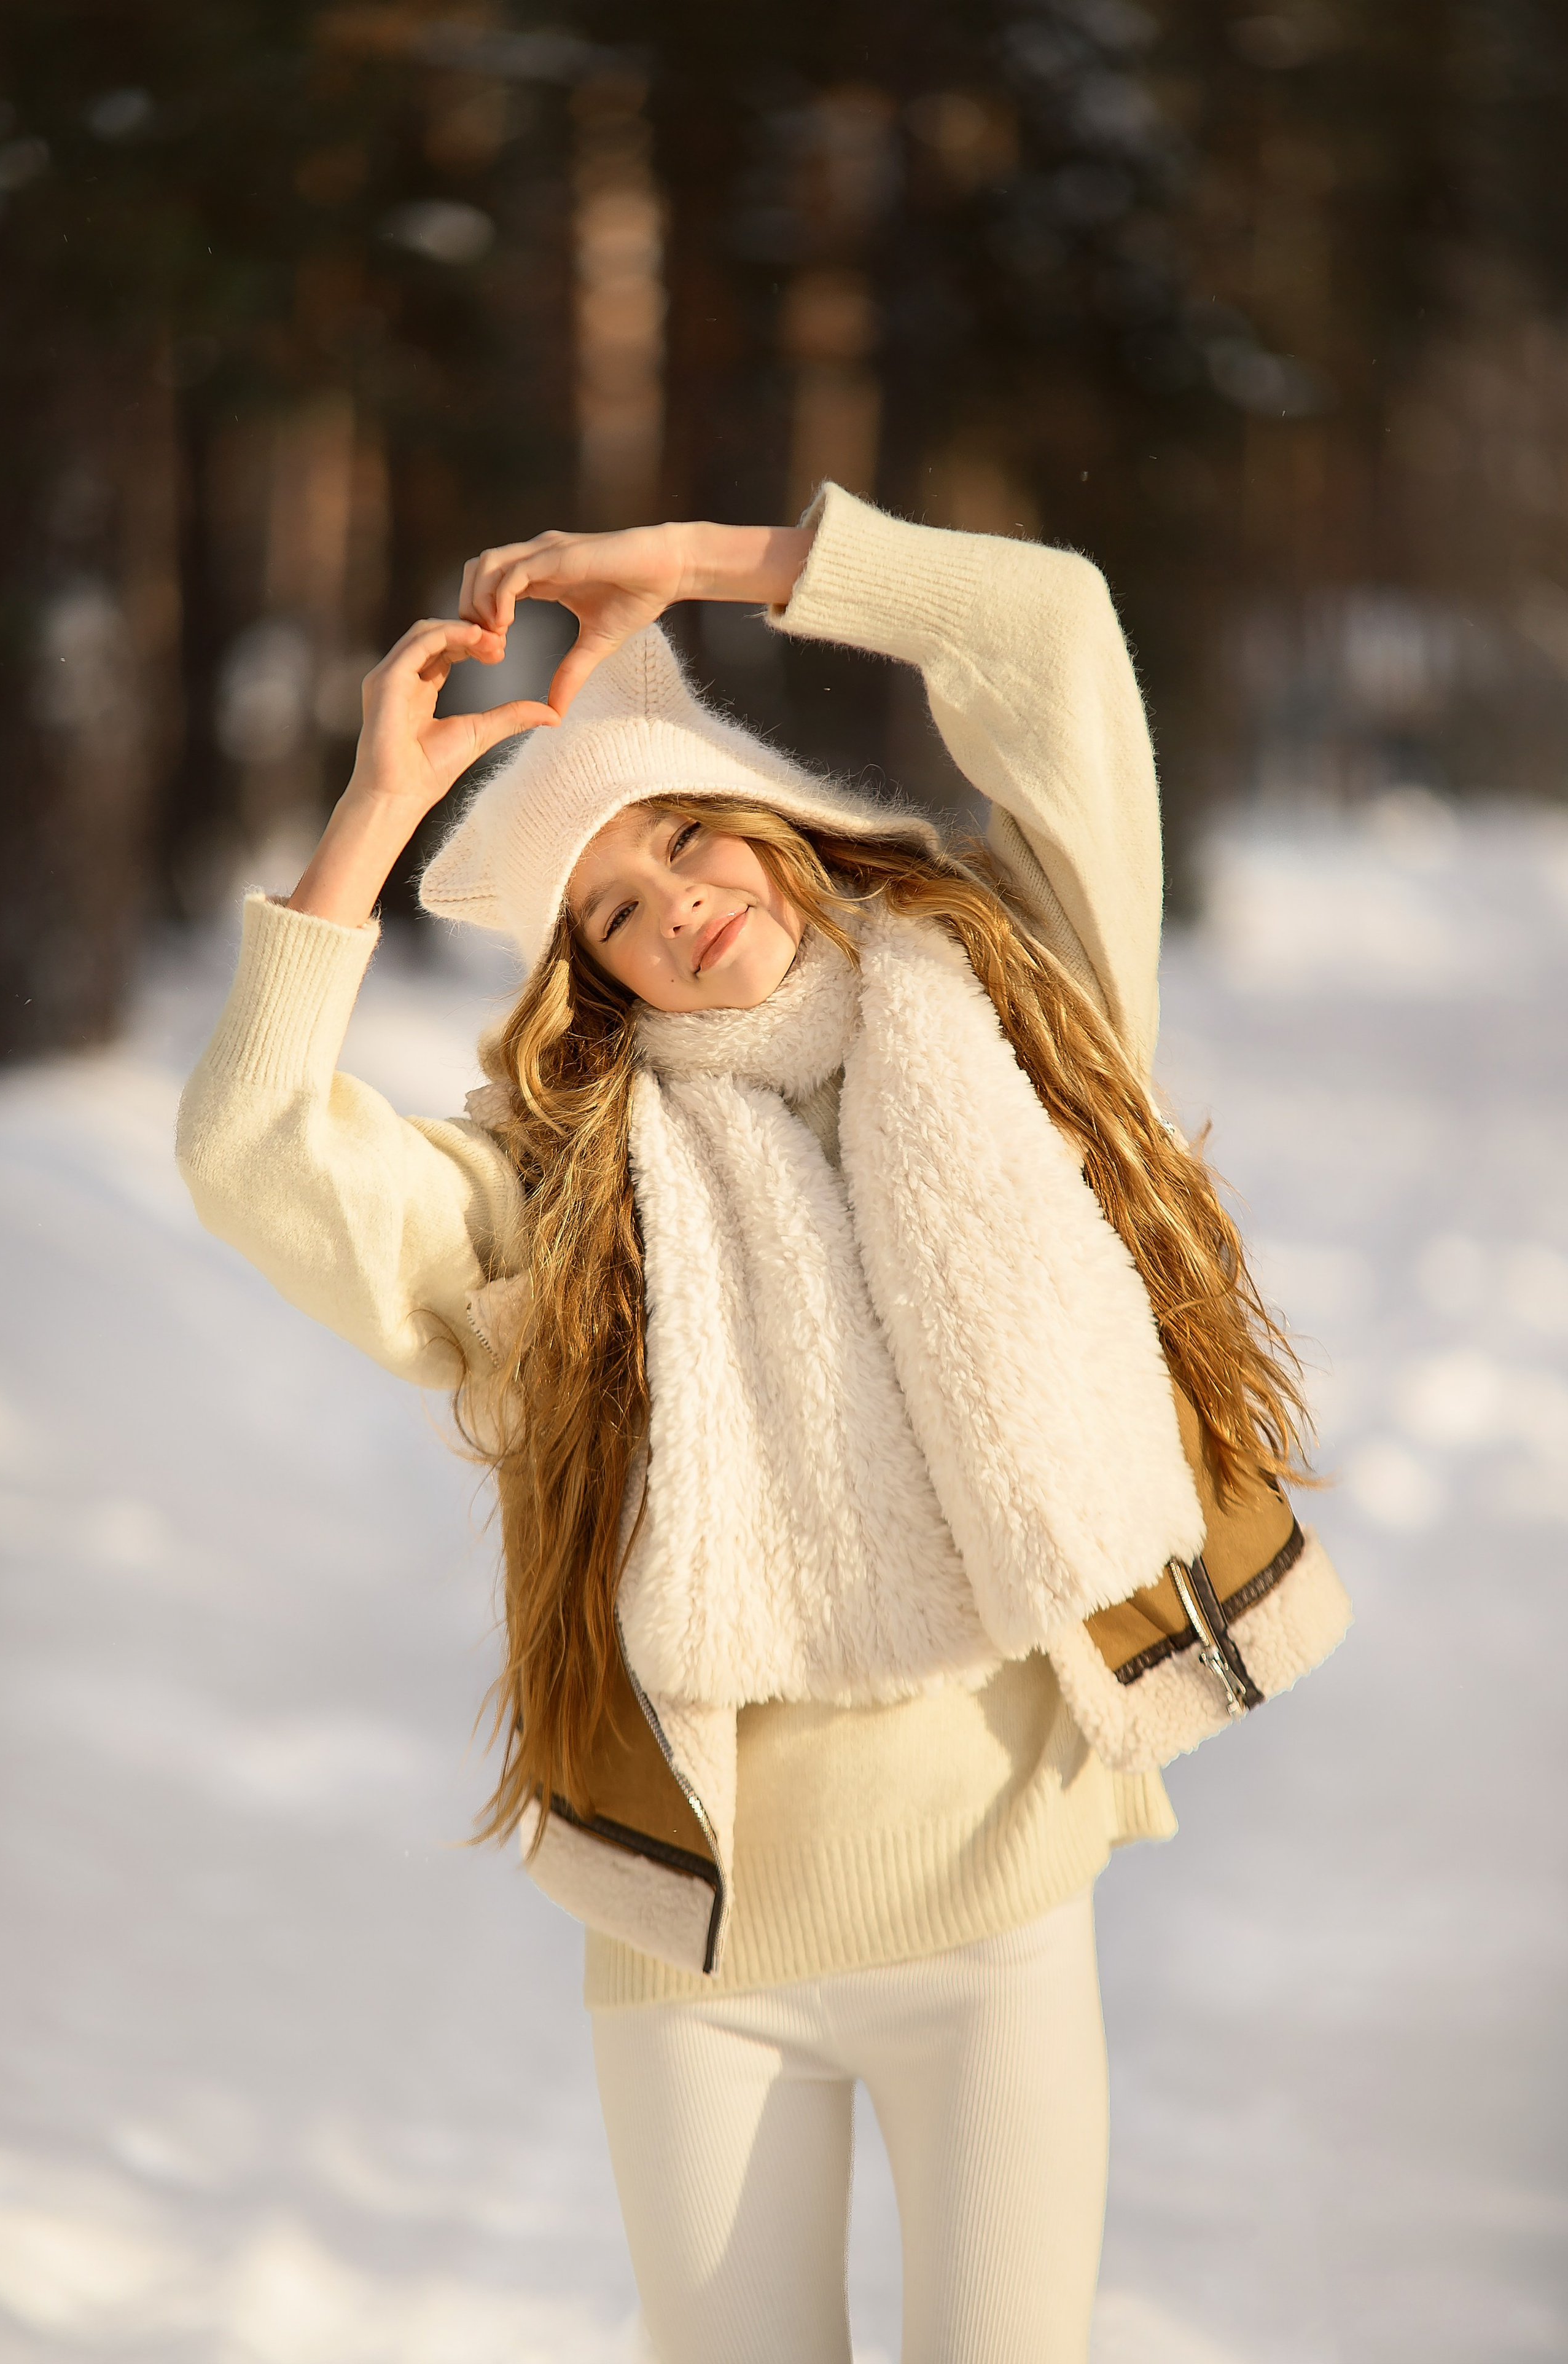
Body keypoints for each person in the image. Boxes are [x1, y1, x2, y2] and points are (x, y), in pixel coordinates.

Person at [177, 485, 1350, 2363]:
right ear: (594, 979)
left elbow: (1048, 628)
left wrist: (707, 566)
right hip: (701, 1951)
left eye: (690, 837)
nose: (676, 906)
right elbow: (249, 1151)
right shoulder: (557, 1203)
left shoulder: (1028, 1001)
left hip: (1001, 1903)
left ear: (785, 829)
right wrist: (375, 820)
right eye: (614, 913)